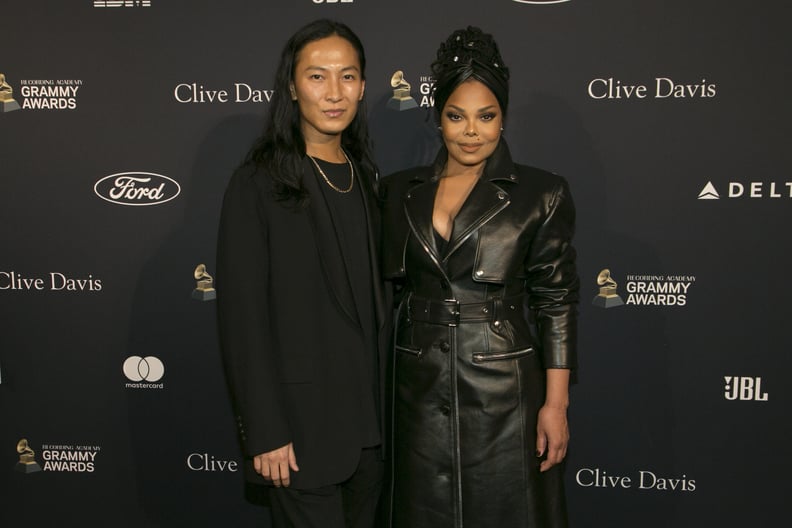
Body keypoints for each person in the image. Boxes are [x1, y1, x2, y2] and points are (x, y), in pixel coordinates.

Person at [380, 26, 579, 527]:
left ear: (503, 117)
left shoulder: (541, 192)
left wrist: (555, 405)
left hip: (504, 388)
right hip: (415, 386)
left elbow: (556, 300)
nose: (472, 131)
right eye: (457, 116)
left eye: (486, 116)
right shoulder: (396, 191)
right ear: (438, 118)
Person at [216, 19, 387, 528]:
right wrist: (264, 430)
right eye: (317, 76)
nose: (335, 93)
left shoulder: (368, 177)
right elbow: (242, 318)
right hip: (299, 434)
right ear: (292, 86)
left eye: (348, 76)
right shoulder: (259, 183)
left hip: (372, 434)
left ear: (362, 84)